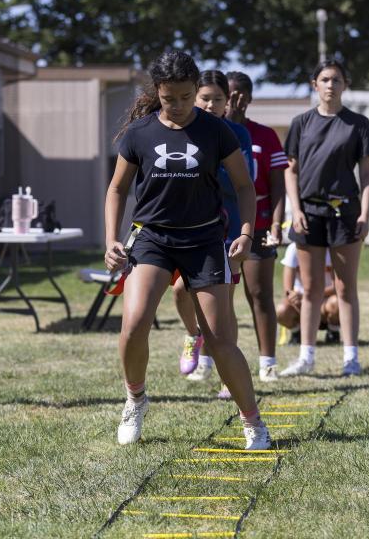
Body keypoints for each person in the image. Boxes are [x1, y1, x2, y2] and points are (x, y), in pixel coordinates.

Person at [104, 50, 271, 450]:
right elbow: (117, 189)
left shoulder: (217, 131)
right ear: (157, 93)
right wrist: (112, 238)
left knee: (220, 339)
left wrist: (246, 233)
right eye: (168, 99)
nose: (177, 106)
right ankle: (135, 400)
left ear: (197, 90)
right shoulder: (140, 133)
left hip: (205, 240)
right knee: (134, 323)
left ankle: (254, 423)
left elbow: (245, 187)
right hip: (152, 238)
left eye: (184, 97)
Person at [280, 59, 369, 377]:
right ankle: (306, 356)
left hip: (345, 214)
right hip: (309, 213)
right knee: (310, 290)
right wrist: (295, 211)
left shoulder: (358, 124)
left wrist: (364, 213)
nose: (330, 85)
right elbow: (290, 171)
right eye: (324, 79)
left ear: (344, 85)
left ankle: (351, 358)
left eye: (336, 79)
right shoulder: (300, 123)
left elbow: (367, 173)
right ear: (315, 85)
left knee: (345, 288)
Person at [175, 70, 256, 395]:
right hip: (187, 229)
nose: (210, 105)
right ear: (195, 97)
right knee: (181, 290)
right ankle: (192, 334)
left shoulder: (236, 133)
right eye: (204, 98)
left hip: (227, 230)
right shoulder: (181, 131)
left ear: (227, 102)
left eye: (217, 99)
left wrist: (206, 168)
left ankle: (226, 375)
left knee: (224, 306)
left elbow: (240, 181)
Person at [223, 71, 287, 379]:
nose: (234, 101)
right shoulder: (214, 133)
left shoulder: (265, 135)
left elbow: (278, 185)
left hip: (258, 224)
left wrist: (277, 224)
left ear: (249, 98)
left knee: (259, 293)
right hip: (221, 224)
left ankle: (268, 362)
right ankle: (210, 359)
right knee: (220, 296)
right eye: (229, 94)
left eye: (240, 95)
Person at [276, 244, 339, 345]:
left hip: (325, 301)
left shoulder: (331, 247)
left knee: (337, 303)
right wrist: (293, 296)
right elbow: (287, 290)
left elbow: (337, 286)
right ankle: (297, 333)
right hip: (300, 303)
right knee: (281, 310)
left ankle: (333, 331)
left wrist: (311, 295)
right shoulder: (294, 248)